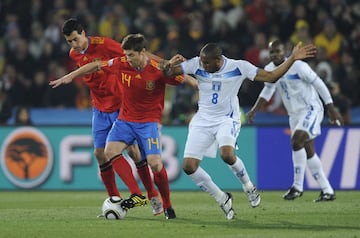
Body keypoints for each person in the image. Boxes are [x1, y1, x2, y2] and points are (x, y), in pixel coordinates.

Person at [160, 41, 317, 220]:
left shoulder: (239, 67)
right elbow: (169, 73)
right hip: (202, 119)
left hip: (227, 119)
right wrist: (169, 65)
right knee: (188, 167)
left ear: (218, 60)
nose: (202, 65)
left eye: (207, 62)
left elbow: (271, 76)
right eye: (202, 62)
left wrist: (292, 59)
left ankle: (249, 186)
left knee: (227, 154)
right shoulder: (197, 63)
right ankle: (222, 198)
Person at [51, 33, 197, 219]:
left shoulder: (157, 70)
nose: (126, 58)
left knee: (154, 163)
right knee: (107, 152)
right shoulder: (121, 63)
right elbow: (96, 65)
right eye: (126, 54)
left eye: (130, 55)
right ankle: (136, 194)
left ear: (142, 52)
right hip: (125, 120)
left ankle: (167, 205)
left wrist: (193, 81)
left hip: (148, 122)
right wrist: (70, 76)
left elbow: (179, 76)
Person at [49, 18, 162, 216]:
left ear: (83, 33)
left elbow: (136, 55)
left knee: (134, 152)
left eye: (75, 39)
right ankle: (116, 199)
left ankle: (150, 195)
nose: (73, 44)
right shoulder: (74, 54)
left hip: (120, 105)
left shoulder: (105, 44)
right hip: (99, 109)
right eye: (69, 41)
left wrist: (162, 63)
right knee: (100, 154)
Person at [247, 39, 343, 202]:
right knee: (308, 150)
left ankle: (297, 187)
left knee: (296, 140)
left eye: (278, 51)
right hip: (294, 115)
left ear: (285, 51)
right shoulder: (270, 69)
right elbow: (267, 91)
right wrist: (254, 110)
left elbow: (319, 84)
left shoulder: (299, 66)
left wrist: (331, 108)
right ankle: (327, 190)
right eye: (272, 52)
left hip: (311, 109)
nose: (275, 54)